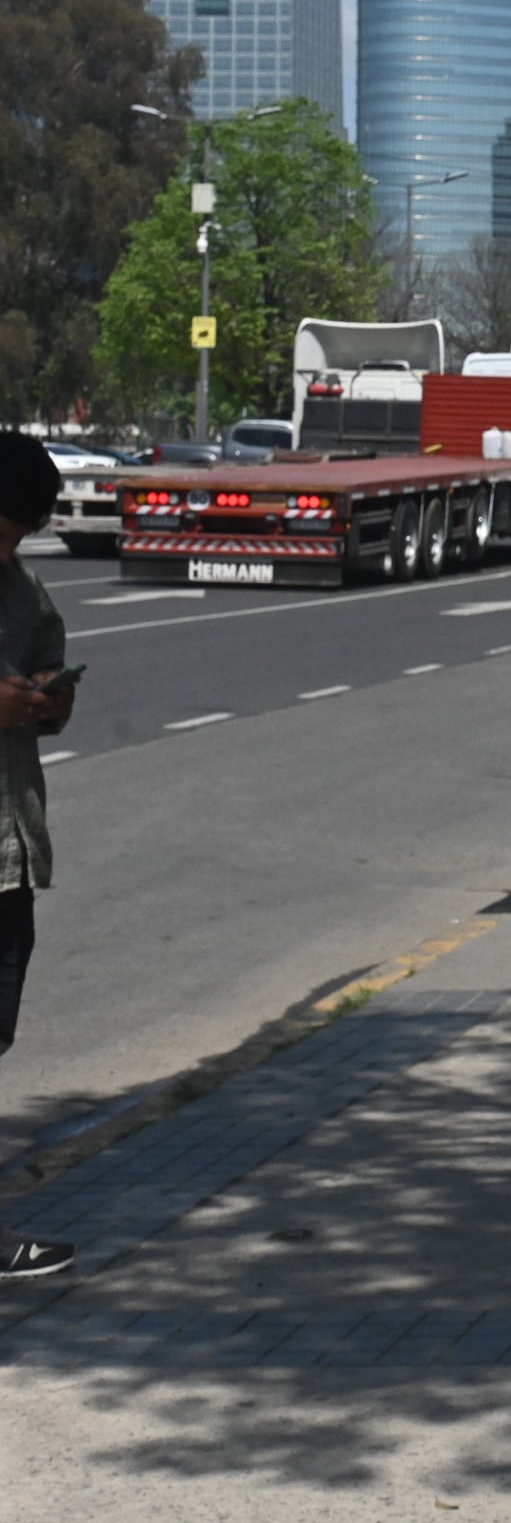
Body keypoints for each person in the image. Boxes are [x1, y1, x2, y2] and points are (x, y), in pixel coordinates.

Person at [0, 434, 81, 1280]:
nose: (8, 549)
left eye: (20, 534)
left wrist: (49, 704)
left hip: (10, 850)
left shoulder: (23, 593)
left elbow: (46, 672)